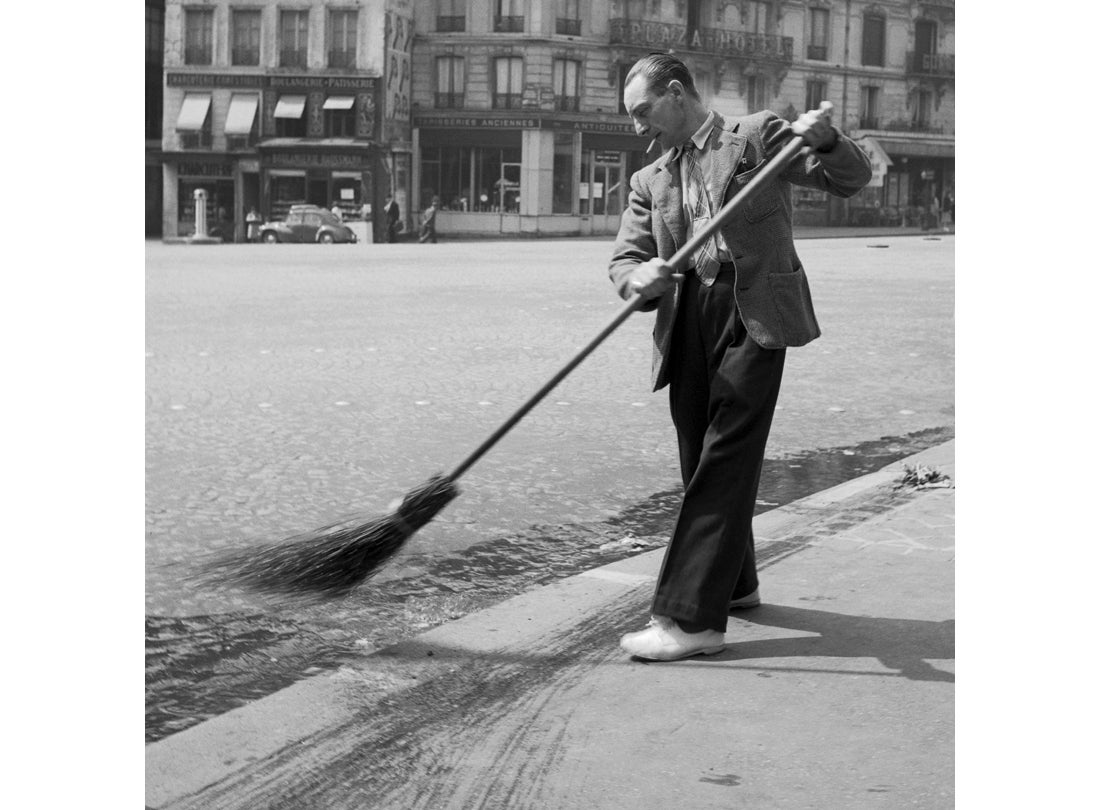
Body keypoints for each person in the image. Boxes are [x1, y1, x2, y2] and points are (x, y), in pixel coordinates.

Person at [609, 53, 872, 662]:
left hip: (755, 309)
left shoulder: (756, 137)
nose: (637, 128)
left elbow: (848, 178)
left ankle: (690, 619)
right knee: (699, 454)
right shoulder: (650, 179)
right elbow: (625, 258)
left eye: (643, 112)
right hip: (689, 317)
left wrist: (828, 139)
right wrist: (638, 276)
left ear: (677, 95)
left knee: (728, 449)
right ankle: (735, 584)